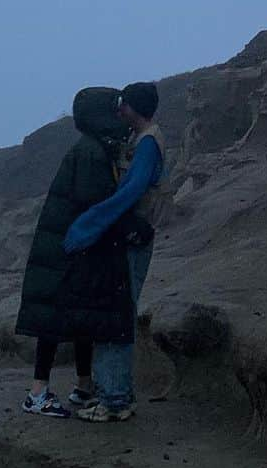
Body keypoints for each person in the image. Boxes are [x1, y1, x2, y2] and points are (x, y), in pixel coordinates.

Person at [14, 87, 137, 417]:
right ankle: (37, 394)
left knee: (83, 316)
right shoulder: (91, 153)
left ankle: (84, 387)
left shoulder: (93, 148)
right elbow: (95, 202)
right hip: (66, 251)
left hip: (73, 248)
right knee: (52, 321)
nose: (120, 115)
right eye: (115, 109)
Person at [63, 81, 165, 422]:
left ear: (134, 108)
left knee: (117, 316)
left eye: (123, 105)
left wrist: (88, 225)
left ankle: (116, 401)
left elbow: (130, 192)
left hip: (132, 239)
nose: (119, 111)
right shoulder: (141, 140)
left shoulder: (148, 143)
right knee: (116, 314)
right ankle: (116, 394)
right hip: (128, 237)